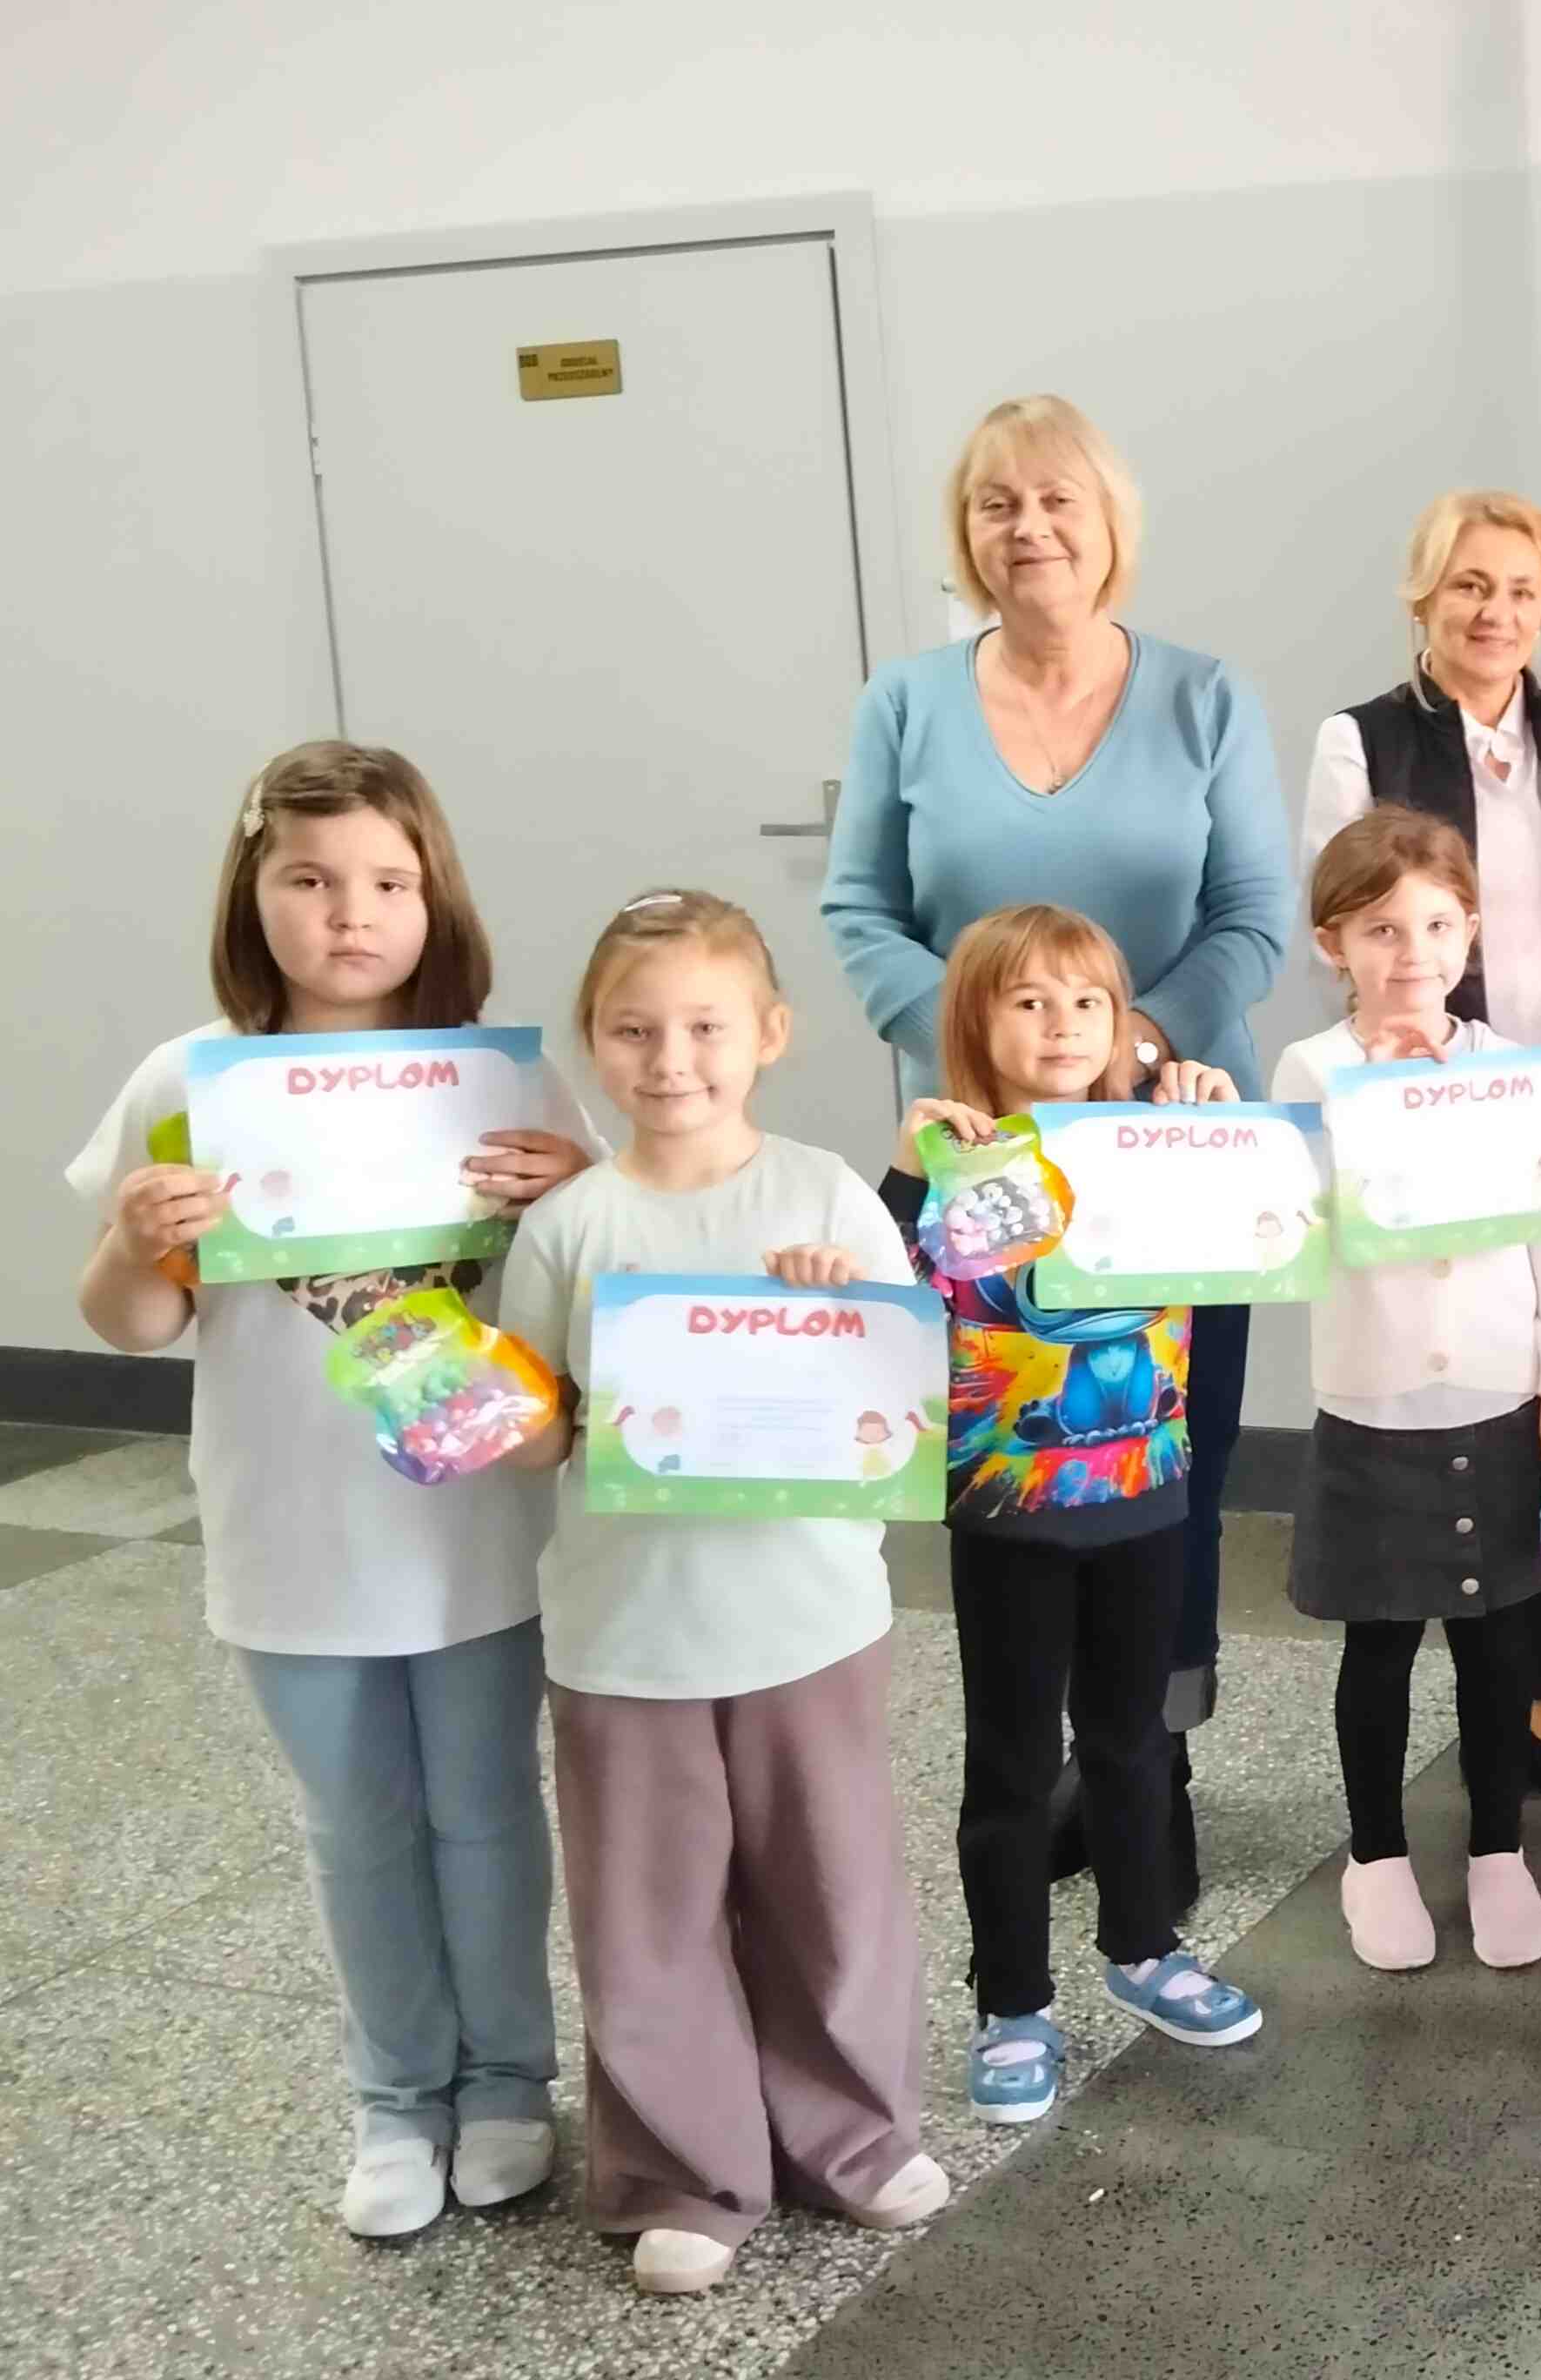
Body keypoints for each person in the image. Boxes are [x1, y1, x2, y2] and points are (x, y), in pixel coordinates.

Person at [68, 744, 595, 2242]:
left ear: (435, 897)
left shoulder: (503, 1075)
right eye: (308, 879)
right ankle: (394, 2095)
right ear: (253, 893)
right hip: (290, 1532)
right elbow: (136, 1320)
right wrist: (135, 1239)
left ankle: (507, 2080)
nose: (349, 912)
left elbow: (587, 1277)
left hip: (473, 1528)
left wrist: (575, 1188)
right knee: (356, 1824)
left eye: (386, 881)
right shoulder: (187, 1080)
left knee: (486, 1810)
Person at [825, 394, 1290, 1898]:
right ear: (965, 532)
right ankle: (1038, 1766)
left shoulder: (1206, 698)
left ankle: (1154, 1765)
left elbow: (1255, 915)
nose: (1029, 529)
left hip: (1171, 1159)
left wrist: (1129, 1044)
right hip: (980, 1163)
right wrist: (981, 1050)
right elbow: (858, 911)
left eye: (1058, 501)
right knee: (1016, 1468)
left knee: (1171, 1466)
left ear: (1111, 524)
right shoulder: (905, 703)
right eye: (997, 503)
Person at [494, 891, 946, 2296]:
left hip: (808, 1618)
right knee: (646, 1913)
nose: (670, 1059)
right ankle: (684, 2169)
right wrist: (463, 1398)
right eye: (633, 1030)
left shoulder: (826, 1197)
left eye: (705, 1026)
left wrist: (836, 1310)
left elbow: (906, 1401)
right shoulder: (571, 1224)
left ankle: (853, 2134)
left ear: (771, 1033)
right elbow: (540, 1422)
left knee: (832, 1886)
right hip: (625, 1629)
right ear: (592, 1040)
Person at [1302, 492, 1541, 1796]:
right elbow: (1339, 917)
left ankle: (1534, 1693)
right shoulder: (1361, 739)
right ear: (1423, 595)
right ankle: (1427, 1657)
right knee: (1440, 1387)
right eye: (1468, 584)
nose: (1495, 611)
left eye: (1519, 589)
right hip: (1423, 1126)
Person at [883, 906, 1263, 2125]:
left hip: (1145, 1495)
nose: (1062, 1025)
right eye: (1030, 1002)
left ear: (1123, 1025)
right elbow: (890, 1302)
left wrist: (1215, 1127)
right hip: (1008, 1510)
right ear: (976, 1022)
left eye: (1087, 1002)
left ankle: (1144, 1949)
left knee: (1131, 1739)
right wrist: (909, 1173)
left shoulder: (1160, 1143)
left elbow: (1258, 1235)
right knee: (1008, 1762)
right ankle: (1011, 2004)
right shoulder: (957, 1160)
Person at [1275, 810, 1541, 1970]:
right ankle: (1375, 1858)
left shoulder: (1513, 1070)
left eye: (1433, 925)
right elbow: (1297, 1231)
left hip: (1504, 1395)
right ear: (1334, 945)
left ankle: (1498, 1848)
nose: (1410, 953)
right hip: (1375, 1405)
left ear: (1469, 931)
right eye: (1379, 930)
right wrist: (1373, 1112)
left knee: (1498, 1651)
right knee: (1379, 1650)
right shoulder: (1314, 1072)